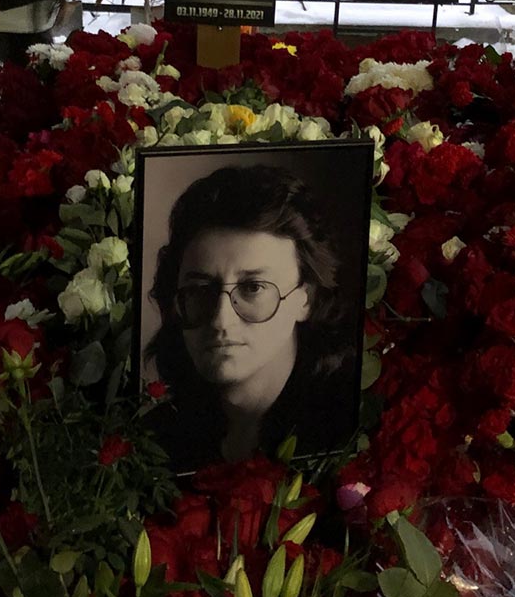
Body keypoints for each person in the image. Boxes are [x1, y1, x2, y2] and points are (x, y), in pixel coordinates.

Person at [144, 164, 359, 470]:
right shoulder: (155, 439)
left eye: (253, 287)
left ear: (305, 299)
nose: (221, 320)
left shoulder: (346, 431)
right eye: (200, 290)